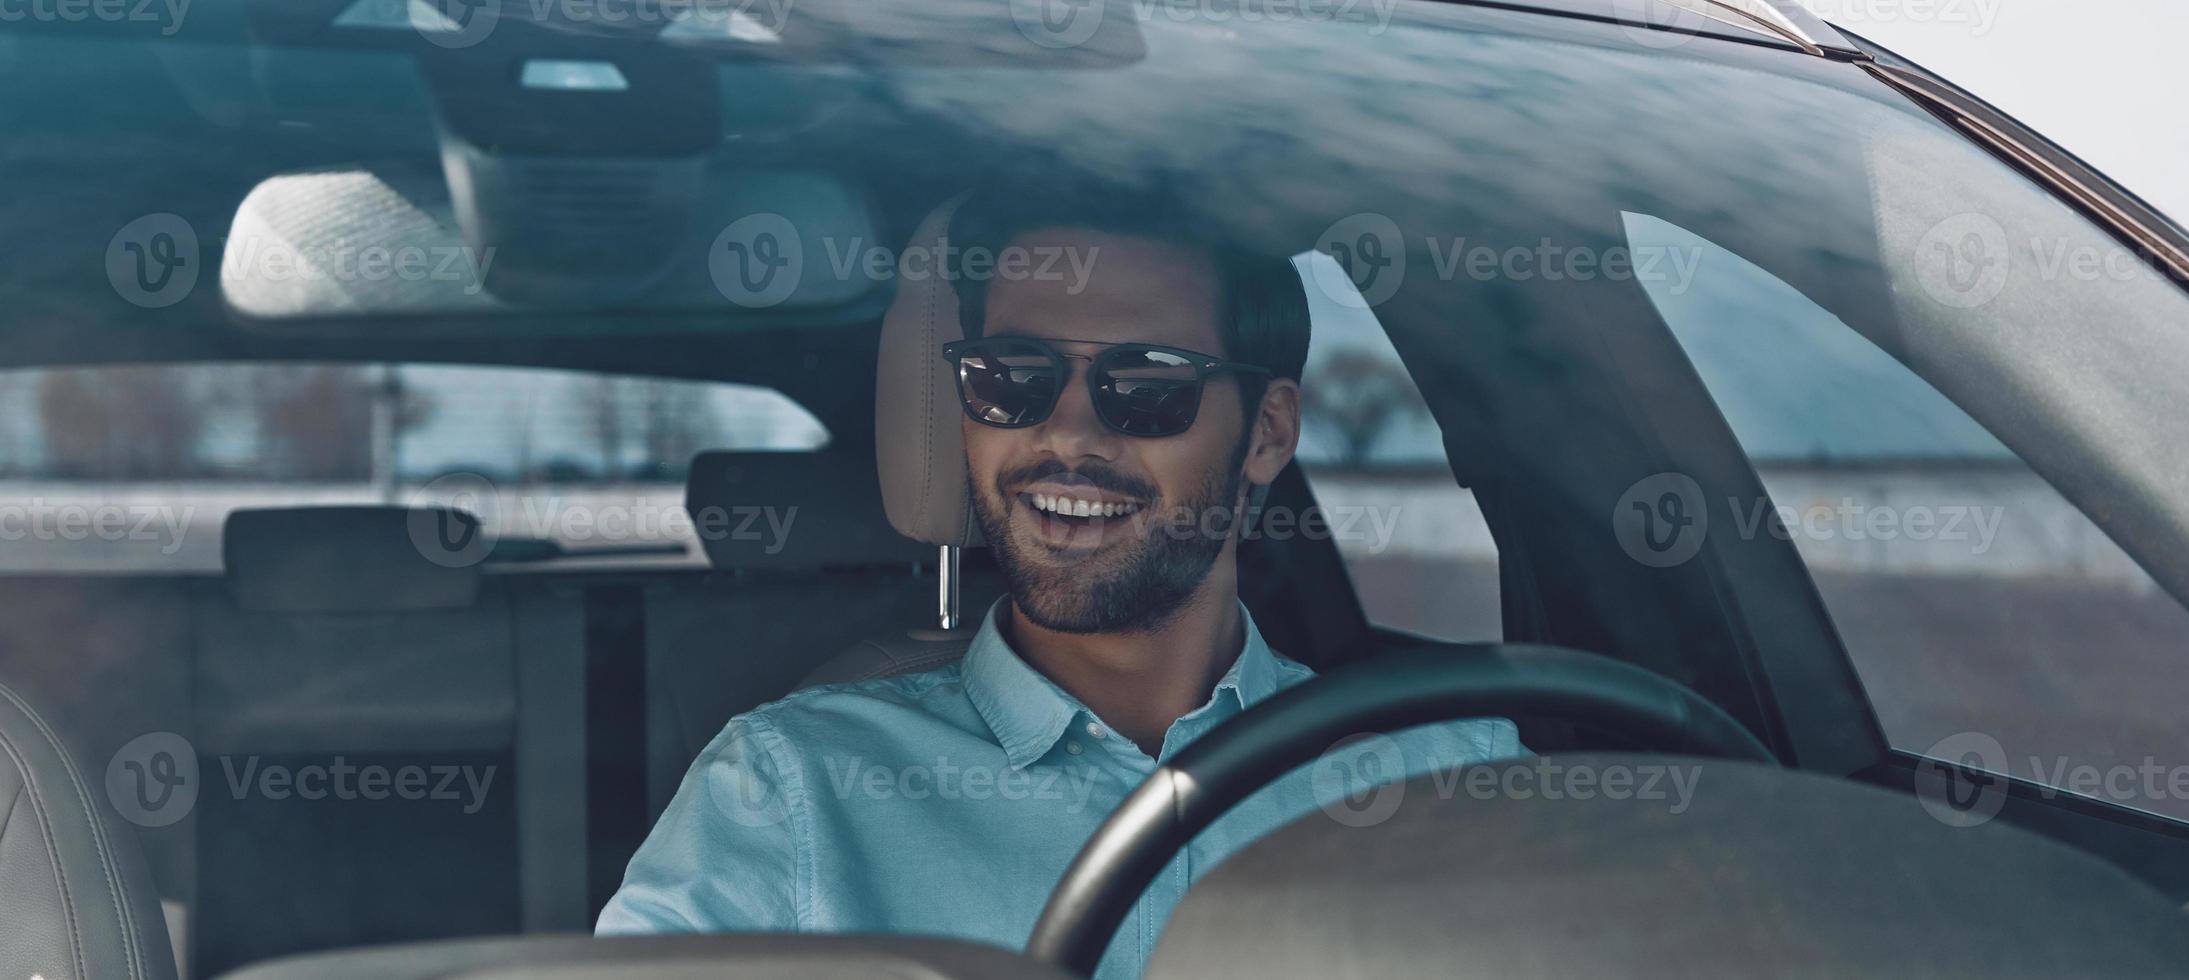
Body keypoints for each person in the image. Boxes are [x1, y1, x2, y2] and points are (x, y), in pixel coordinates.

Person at [597, 192, 1521, 980]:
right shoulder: (787, 794)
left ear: (1269, 435)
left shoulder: (1444, 776)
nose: (1067, 434)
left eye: (1148, 385)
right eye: (1012, 379)